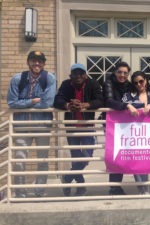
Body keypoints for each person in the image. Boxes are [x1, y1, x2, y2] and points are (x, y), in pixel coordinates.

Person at [7, 51, 56, 198]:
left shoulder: (49, 78)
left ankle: (39, 191)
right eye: (34, 60)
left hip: (42, 125)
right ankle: (20, 192)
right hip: (21, 126)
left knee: (42, 160)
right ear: (28, 62)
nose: (37, 63)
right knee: (19, 160)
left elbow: (48, 102)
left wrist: (24, 104)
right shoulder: (18, 79)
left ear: (44, 64)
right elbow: (11, 102)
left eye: (40, 61)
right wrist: (32, 101)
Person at [53, 63, 104, 196]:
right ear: (71, 76)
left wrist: (87, 105)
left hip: (87, 126)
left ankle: (67, 178)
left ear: (85, 75)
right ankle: (81, 186)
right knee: (76, 157)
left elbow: (100, 100)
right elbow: (57, 100)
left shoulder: (93, 84)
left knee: (87, 156)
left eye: (81, 73)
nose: (78, 76)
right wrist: (68, 105)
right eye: (75, 74)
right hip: (72, 127)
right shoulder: (66, 84)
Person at [122, 71, 150, 194]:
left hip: (149, 133)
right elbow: (123, 102)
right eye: (136, 83)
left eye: (141, 81)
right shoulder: (129, 94)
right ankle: (142, 188)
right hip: (133, 132)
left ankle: (148, 187)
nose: (139, 84)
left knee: (148, 158)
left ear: (146, 81)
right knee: (136, 160)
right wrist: (131, 106)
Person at [102, 61, 133, 195]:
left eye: (125, 73)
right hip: (112, 124)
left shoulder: (130, 85)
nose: (122, 75)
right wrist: (125, 106)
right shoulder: (108, 83)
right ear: (115, 72)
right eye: (120, 72)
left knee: (123, 154)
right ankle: (114, 186)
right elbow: (109, 100)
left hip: (126, 123)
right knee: (115, 154)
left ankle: (117, 185)